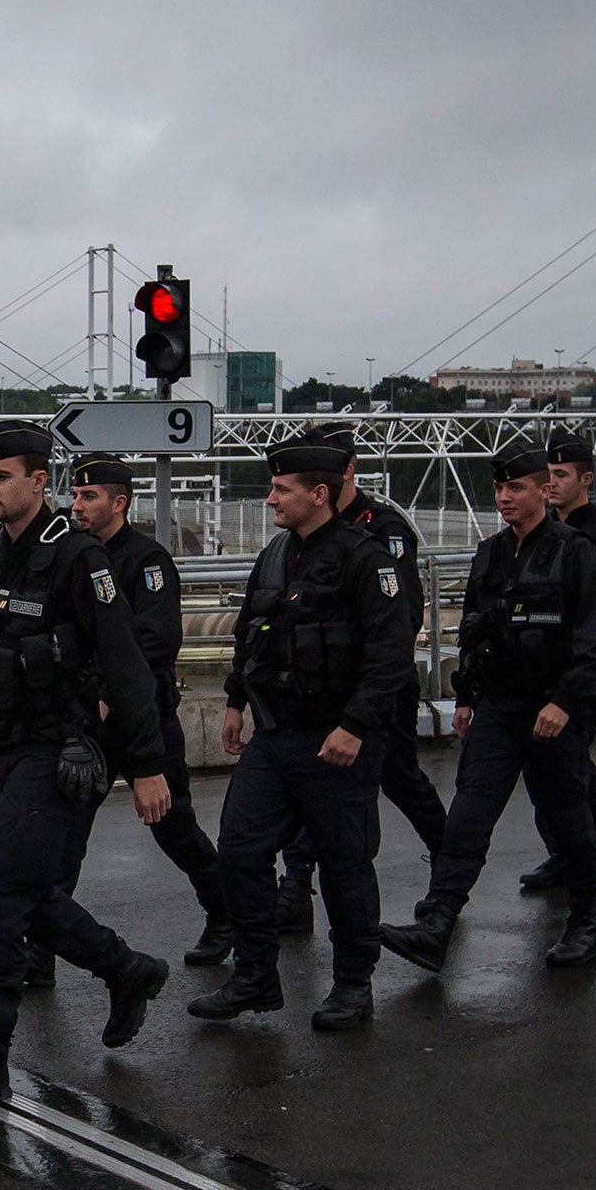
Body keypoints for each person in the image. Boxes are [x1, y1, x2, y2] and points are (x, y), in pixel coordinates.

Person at [0, 422, 172, 1109]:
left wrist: (147, 765)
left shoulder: (78, 559)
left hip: (60, 753)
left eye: (2, 478)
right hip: (4, 746)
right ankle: (128, 970)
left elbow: (126, 666)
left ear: (39, 481)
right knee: (30, 896)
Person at [189, 430, 410, 1030]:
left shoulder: (368, 560)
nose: (270, 499)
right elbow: (250, 632)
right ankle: (256, 976)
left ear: (320, 493)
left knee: (345, 864)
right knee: (238, 849)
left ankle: (353, 984)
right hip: (278, 733)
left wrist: (355, 726)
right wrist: (236, 700)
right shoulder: (276, 555)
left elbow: (390, 655)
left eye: (282, 489)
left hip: (338, 740)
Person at [378, 442, 596, 974]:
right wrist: (466, 697)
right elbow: (475, 632)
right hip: (501, 708)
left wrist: (563, 702)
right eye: (500, 489)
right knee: (469, 813)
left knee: (567, 817)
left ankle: (583, 921)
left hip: (555, 711)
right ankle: (438, 921)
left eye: (517, 488)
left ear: (543, 492)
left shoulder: (575, 553)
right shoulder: (490, 554)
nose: (505, 498)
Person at [57, 451, 233, 967]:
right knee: (64, 838)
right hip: (89, 722)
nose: (78, 505)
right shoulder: (75, 556)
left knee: (173, 826)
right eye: (76, 495)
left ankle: (226, 916)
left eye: (89, 497)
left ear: (120, 502)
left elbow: (156, 641)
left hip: (141, 719)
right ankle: (43, 946)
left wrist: (112, 694)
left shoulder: (147, 561)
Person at [274, 423, 444, 935]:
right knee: (309, 785)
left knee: (400, 780)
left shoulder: (381, 529)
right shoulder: (300, 534)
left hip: (376, 690)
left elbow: (402, 617)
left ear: (346, 470)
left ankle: (451, 863)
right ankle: (296, 887)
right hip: (318, 695)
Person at [519, 426, 596, 889]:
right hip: (541, 671)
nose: (553, 482)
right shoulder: (541, 533)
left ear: (585, 479)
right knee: (553, 767)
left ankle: (591, 850)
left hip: (584, 671)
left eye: (562, 474)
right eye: (548, 474)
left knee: (567, 766)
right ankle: (576, 849)